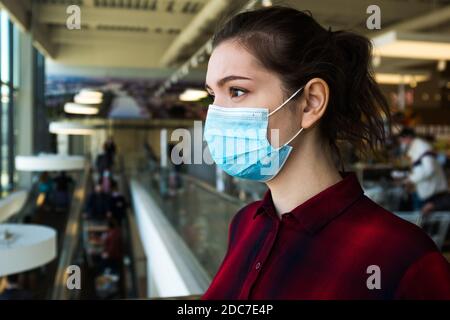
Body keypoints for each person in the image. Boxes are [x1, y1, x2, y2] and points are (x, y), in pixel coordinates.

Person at [201, 6, 450, 300]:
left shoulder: (404, 259)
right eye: (212, 96)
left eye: (237, 91)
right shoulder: (244, 223)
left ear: (310, 103)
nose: (215, 115)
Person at [398, 128, 450, 214]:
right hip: (427, 192)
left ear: (408, 137)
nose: (402, 142)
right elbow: (420, 169)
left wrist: (411, 179)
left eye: (402, 140)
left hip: (433, 194)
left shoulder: (421, 146)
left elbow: (429, 169)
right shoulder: (415, 147)